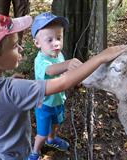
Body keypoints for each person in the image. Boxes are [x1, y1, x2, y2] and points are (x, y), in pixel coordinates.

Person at [0, 10, 127, 160]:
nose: (21, 48)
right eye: (15, 46)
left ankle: (50, 140)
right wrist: (100, 58)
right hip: (11, 155)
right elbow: (64, 82)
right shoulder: (11, 89)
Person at [28, 12, 82, 160]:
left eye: (59, 38)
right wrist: (68, 64)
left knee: (56, 123)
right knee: (42, 133)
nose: (56, 43)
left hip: (58, 100)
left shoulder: (58, 55)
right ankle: (35, 151)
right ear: (37, 43)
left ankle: (52, 140)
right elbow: (51, 71)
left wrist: (73, 78)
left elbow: (63, 75)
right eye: (50, 40)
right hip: (44, 104)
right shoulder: (41, 60)